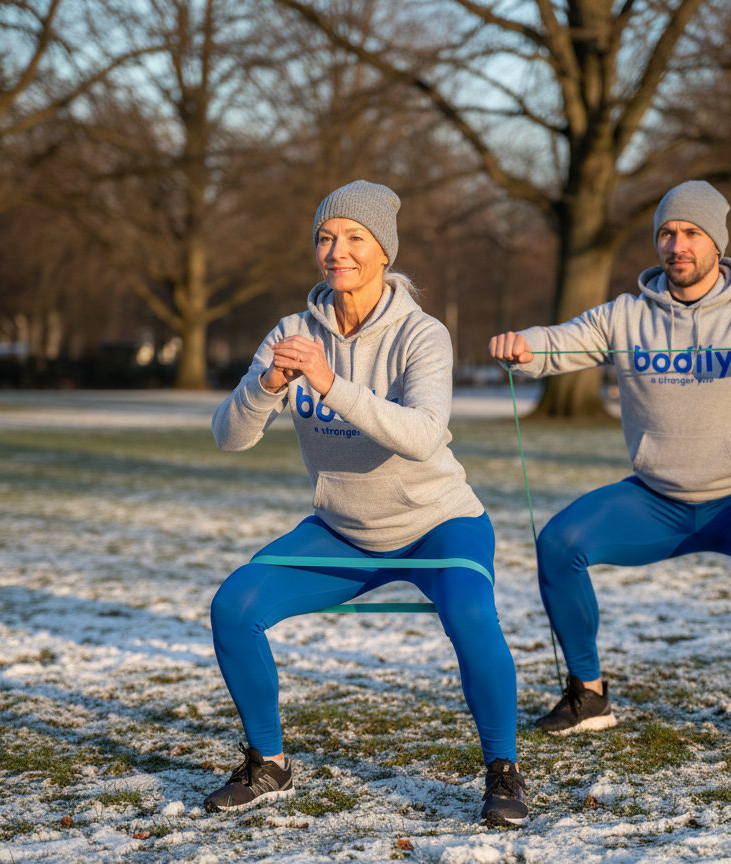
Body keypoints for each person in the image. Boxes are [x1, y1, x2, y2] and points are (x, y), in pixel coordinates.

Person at [488, 180, 731, 747]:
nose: (677, 244)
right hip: (655, 499)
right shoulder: (625, 316)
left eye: (691, 233)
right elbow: (555, 345)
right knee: (558, 543)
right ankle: (589, 694)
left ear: (717, 242)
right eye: (667, 233)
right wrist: (522, 348)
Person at [205, 180, 527, 825]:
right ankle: (269, 763)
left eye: (354, 237)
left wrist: (330, 382)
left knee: (469, 615)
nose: (337, 250)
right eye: (326, 237)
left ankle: (503, 770)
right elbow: (230, 437)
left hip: (439, 523)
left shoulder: (421, 333)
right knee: (233, 606)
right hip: (343, 530)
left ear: (384, 251)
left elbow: (423, 433)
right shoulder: (292, 331)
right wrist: (268, 383)